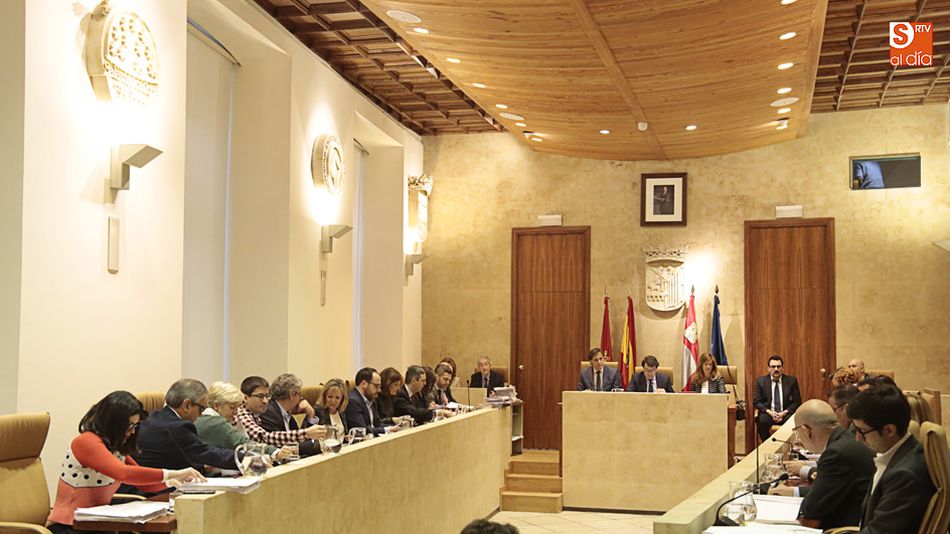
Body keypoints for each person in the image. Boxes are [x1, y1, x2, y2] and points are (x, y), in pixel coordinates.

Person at [47, 391, 204, 532]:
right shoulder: (86, 442)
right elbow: (123, 473)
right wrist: (173, 473)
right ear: (113, 422)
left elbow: (143, 483)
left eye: (135, 425)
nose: (132, 431)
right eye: (129, 425)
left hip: (97, 524)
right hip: (69, 525)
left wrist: (171, 482)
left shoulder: (115, 447)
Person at [769, 400, 874, 530]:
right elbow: (827, 491)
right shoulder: (845, 440)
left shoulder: (837, 453)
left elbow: (812, 509)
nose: (799, 438)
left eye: (797, 431)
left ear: (806, 430)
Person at [847, 385, 935, 532]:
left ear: (889, 430)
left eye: (862, 431)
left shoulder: (905, 475)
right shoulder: (899, 453)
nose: (858, 438)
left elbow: (878, 531)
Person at [135, 379, 240, 472]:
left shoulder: (155, 417)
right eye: (201, 409)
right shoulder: (177, 427)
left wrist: (202, 467)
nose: (201, 415)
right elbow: (207, 453)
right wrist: (246, 458)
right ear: (187, 405)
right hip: (157, 486)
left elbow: (173, 459)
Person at [195, 382, 291, 462]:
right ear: (216, 406)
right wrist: (275, 452)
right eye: (232, 408)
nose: (236, 412)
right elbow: (242, 443)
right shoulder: (216, 423)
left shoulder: (204, 418)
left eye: (237, 408)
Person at [234, 376, 325, 453]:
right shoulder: (243, 414)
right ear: (246, 398)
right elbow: (265, 438)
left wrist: (311, 416)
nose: (265, 401)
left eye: (267, 396)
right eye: (260, 396)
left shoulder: (257, 414)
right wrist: (306, 433)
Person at [752, 355, 802, 441]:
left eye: (778, 366)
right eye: (773, 367)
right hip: (769, 413)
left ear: (782, 368)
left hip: (785, 413)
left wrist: (783, 413)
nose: (776, 369)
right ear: (768, 368)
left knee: (793, 420)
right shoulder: (761, 381)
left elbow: (797, 402)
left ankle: (787, 445)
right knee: (761, 421)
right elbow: (756, 401)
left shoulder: (791, 381)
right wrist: (770, 412)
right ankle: (767, 444)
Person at [259, 373, 321, 437]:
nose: (300, 398)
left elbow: (302, 439)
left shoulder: (286, 413)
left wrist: (311, 414)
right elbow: (279, 441)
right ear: (292, 395)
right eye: (299, 395)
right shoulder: (267, 412)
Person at [345, 367, 391, 436]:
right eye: (376, 386)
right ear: (364, 384)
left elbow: (377, 424)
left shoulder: (371, 399)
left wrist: (394, 427)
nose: (379, 390)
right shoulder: (353, 401)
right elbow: (362, 429)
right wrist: (386, 430)